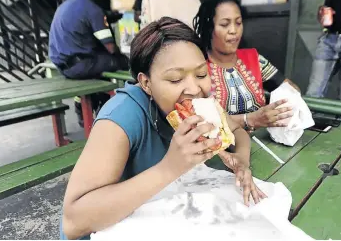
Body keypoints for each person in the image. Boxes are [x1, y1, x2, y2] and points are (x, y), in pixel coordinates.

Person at [60, 17, 265, 240]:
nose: (195, 88)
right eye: (176, 79)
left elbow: (237, 131)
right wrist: (170, 167)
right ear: (146, 83)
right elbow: (73, 222)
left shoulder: (200, 106)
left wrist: (241, 162)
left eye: (201, 74)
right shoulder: (120, 117)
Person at [193, 0, 299, 132]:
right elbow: (199, 119)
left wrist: (284, 104)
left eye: (238, 23)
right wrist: (250, 119)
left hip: (262, 144)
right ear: (209, 28)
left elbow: (291, 90)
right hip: (221, 148)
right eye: (225, 24)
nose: (234, 30)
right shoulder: (198, 68)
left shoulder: (254, 59)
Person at [49, 0, 129, 126]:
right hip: (80, 66)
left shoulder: (69, 4)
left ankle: (82, 109)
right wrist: (123, 58)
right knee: (121, 63)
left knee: (100, 69)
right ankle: (108, 116)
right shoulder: (93, 10)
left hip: (64, 65)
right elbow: (110, 47)